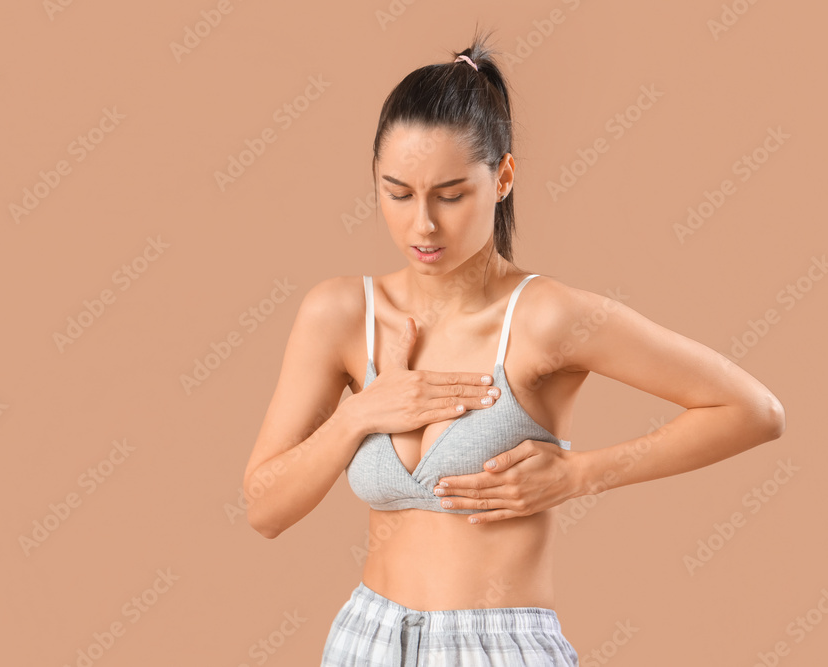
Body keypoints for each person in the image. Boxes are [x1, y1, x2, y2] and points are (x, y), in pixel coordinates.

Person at [242, 28, 786, 666]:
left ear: (501, 179)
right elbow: (265, 510)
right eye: (398, 193)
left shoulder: (546, 318)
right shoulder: (340, 314)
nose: (423, 223)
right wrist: (359, 413)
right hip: (366, 638)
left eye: (450, 196)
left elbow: (754, 411)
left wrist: (577, 475)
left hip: (498, 645)